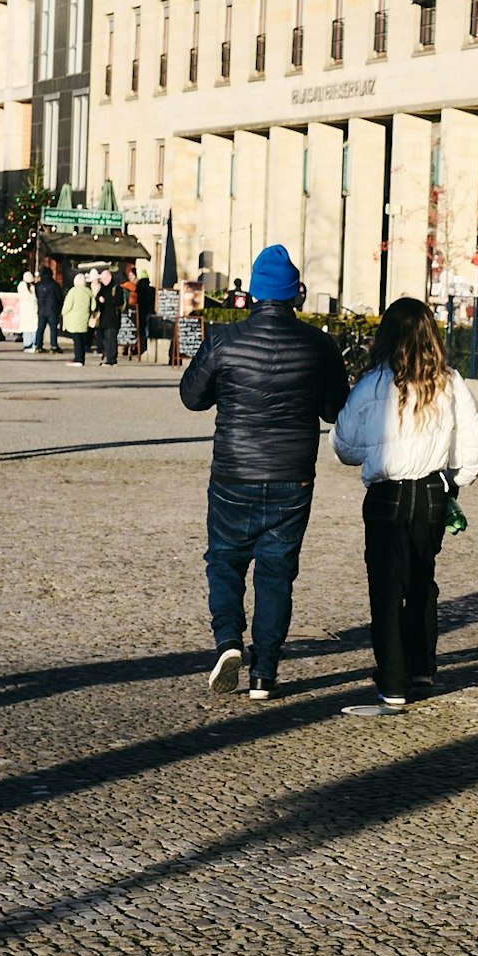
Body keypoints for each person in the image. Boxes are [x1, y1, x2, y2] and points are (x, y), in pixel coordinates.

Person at [180, 244, 350, 701]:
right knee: (277, 572)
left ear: (252, 294)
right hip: (292, 475)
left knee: (224, 561)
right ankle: (265, 674)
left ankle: (229, 641)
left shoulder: (224, 340)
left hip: (234, 472)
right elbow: (337, 410)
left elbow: (192, 398)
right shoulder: (319, 345)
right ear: (296, 295)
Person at [332, 298, 478, 707]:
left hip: (386, 494)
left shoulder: (373, 384)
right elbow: (474, 450)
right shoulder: (451, 383)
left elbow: (344, 445)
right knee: (422, 581)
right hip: (432, 494)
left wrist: (375, 448)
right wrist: (453, 484)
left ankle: (393, 679)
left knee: (386, 588)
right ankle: (421, 668)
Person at [62, 271, 94, 366]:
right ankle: (81, 358)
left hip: (74, 319)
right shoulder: (89, 292)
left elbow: (67, 306)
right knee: (82, 339)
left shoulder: (73, 291)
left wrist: (63, 313)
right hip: (84, 318)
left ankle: (78, 359)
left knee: (77, 340)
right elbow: (93, 306)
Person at [95, 268, 123, 366]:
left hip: (112, 318)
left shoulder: (116, 288)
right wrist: (98, 299)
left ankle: (111, 359)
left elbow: (119, 301)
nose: (101, 280)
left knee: (111, 339)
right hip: (103, 317)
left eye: (103, 278)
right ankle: (107, 356)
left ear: (109, 278)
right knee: (105, 339)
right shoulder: (102, 288)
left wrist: (106, 300)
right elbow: (97, 299)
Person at [35, 265, 64, 353]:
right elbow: (60, 297)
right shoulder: (54, 285)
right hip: (53, 310)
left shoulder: (38, 286)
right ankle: (54, 346)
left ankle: (38, 345)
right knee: (53, 329)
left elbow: (37, 296)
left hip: (41, 310)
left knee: (40, 328)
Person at [131, 263, 157, 358]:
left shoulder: (138, 290)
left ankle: (140, 348)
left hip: (140, 312)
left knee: (140, 331)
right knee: (147, 331)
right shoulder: (152, 290)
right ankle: (145, 348)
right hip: (150, 312)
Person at [17, 270, 40, 352]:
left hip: (24, 310)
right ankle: (34, 344)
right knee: (34, 327)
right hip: (33, 309)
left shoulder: (21, 286)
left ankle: (27, 345)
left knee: (26, 328)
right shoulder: (33, 287)